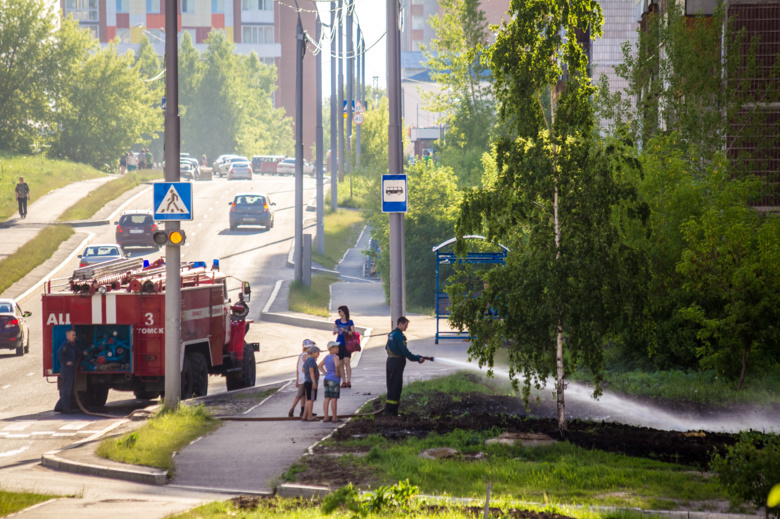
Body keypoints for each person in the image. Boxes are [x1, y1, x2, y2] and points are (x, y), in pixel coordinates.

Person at [384, 316, 426, 416]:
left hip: (390, 361)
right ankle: (392, 412)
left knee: (391, 385)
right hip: (397, 362)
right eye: (405, 325)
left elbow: (386, 347)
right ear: (400, 324)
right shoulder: (399, 336)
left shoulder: (391, 334)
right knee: (396, 387)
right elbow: (404, 351)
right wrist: (417, 358)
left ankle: (388, 410)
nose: (406, 327)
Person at [54, 329, 78, 413]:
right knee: (66, 390)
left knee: (68, 389)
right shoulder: (66, 345)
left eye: (75, 335)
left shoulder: (72, 345)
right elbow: (59, 353)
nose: (74, 337)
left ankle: (58, 406)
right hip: (66, 370)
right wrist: (65, 362)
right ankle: (66, 409)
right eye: (73, 335)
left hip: (70, 370)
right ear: (68, 336)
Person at [288, 339, 313, 417]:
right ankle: (292, 409)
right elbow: (308, 366)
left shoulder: (300, 355)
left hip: (301, 378)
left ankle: (303, 411)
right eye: (310, 347)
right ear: (307, 347)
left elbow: (297, 368)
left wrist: (297, 379)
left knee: (302, 395)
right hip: (305, 378)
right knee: (300, 395)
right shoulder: (306, 356)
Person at [333, 305, 355, 388]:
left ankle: (349, 380)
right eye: (338, 311)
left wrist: (345, 330)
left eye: (340, 311)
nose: (338, 313)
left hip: (347, 344)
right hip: (339, 344)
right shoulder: (337, 321)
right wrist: (336, 331)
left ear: (344, 312)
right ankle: (344, 381)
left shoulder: (350, 322)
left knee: (347, 362)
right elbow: (334, 331)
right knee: (341, 363)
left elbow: (353, 333)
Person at [319, 342, 342, 422]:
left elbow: (319, 365)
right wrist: (338, 373)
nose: (338, 349)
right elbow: (337, 365)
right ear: (331, 349)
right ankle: (334, 417)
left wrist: (325, 373)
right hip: (334, 379)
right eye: (336, 347)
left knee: (327, 398)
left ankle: (325, 417)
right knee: (334, 398)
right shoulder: (335, 357)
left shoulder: (326, 357)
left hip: (327, 378)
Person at [301, 346, 321, 421]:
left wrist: (307, 375)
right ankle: (310, 416)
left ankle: (304, 416)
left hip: (307, 380)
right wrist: (314, 382)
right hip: (310, 382)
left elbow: (303, 369)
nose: (319, 354)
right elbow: (311, 371)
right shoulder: (312, 360)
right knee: (310, 400)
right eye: (318, 353)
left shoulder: (307, 360)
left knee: (308, 399)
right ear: (314, 353)